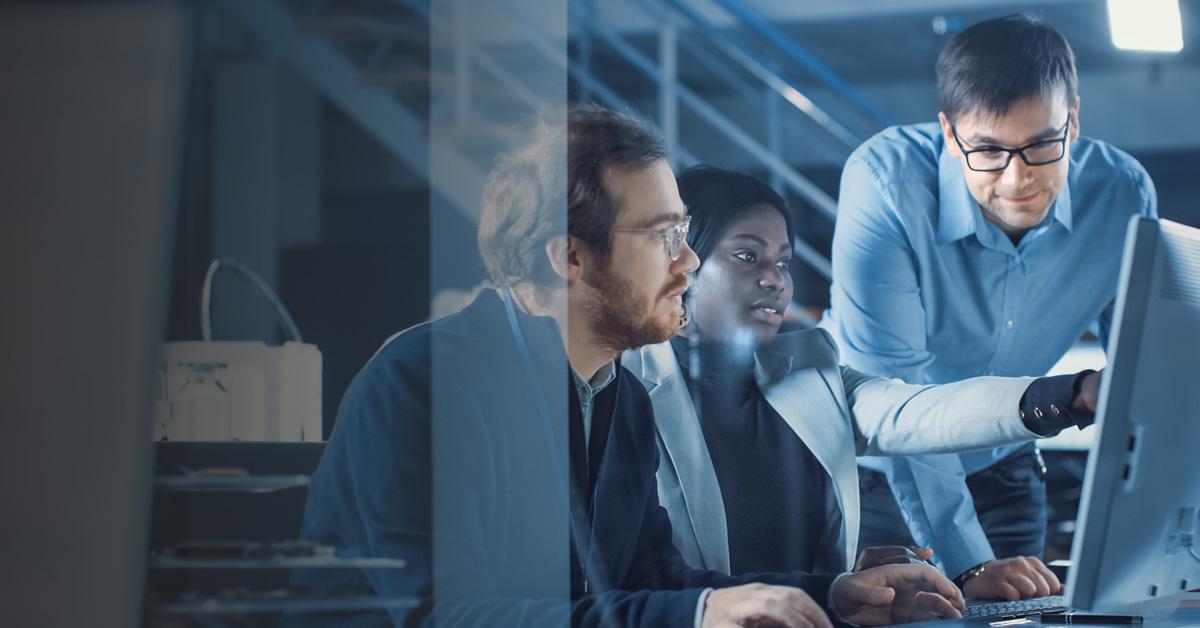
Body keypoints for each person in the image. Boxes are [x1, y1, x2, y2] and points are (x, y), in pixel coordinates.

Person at [287, 104, 966, 628]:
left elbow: (655, 582)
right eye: (665, 237)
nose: (691, 262)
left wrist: (834, 597)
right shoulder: (423, 383)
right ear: (570, 258)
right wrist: (697, 617)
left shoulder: (619, 392)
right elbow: (447, 615)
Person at [623, 165, 1100, 584]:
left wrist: (1071, 395)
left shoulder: (812, 367)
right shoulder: (622, 386)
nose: (776, 279)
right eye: (748, 256)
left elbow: (918, 412)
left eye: (783, 262)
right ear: (683, 262)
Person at [819, 14, 1157, 601]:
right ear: (951, 135)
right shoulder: (884, 182)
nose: (1017, 178)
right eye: (988, 151)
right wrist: (970, 563)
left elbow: (1145, 370)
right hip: (878, 474)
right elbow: (896, 400)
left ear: (1073, 121)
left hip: (1007, 461)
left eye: (1042, 144)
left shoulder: (1124, 192)